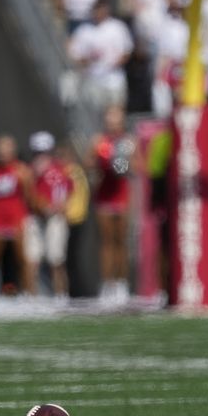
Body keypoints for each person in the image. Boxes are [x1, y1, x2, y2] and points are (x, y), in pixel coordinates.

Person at [87, 105, 135, 301]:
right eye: (110, 121)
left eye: (116, 121)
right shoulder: (99, 141)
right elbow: (88, 163)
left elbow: (139, 165)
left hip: (122, 195)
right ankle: (107, 283)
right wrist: (103, 164)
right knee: (106, 242)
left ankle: (122, 283)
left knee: (121, 241)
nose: (113, 125)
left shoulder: (129, 141)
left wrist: (125, 164)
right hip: (105, 195)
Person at [0, 135, 35, 294]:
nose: (3, 153)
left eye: (6, 149)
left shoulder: (22, 171)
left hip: (16, 218)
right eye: (0, 149)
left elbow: (28, 196)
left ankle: (29, 294)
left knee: (22, 260)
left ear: (13, 151)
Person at [67, 0, 134, 110]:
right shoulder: (84, 30)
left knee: (116, 111)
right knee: (96, 113)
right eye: (95, 9)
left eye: (100, 8)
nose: (98, 12)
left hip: (114, 79)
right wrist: (88, 60)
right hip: (94, 80)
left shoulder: (117, 27)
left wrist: (112, 65)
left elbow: (127, 51)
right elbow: (75, 54)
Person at [28, 132, 74, 297]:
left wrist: (61, 207)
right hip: (35, 218)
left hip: (55, 218)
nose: (41, 156)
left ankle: (61, 295)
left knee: (57, 260)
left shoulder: (62, 170)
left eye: (44, 152)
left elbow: (70, 191)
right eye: (38, 152)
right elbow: (29, 196)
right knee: (32, 260)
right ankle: (31, 297)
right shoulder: (28, 172)